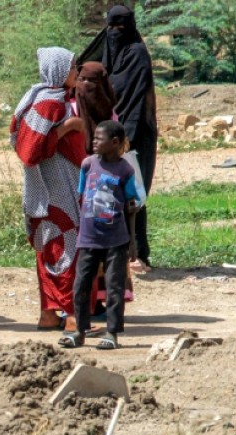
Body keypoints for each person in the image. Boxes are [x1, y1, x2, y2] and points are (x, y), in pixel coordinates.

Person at [10, 47, 85, 332]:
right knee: (66, 247)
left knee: (50, 248)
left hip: (49, 189)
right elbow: (29, 150)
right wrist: (67, 127)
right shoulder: (49, 103)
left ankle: (49, 314)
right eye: (72, 67)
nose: (75, 72)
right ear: (58, 71)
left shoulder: (42, 97)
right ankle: (70, 314)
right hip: (55, 188)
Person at [59, 120, 143, 350]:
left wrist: (132, 244)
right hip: (88, 238)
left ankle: (112, 333)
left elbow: (131, 206)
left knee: (114, 287)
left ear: (115, 142)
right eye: (93, 137)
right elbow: (82, 195)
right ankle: (79, 331)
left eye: (99, 138)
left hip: (115, 240)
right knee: (81, 285)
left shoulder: (125, 170)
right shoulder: (87, 165)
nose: (93, 141)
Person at [103, 5, 157, 271]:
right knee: (110, 194)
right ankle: (117, 254)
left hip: (136, 135)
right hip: (111, 135)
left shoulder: (136, 54)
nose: (114, 33)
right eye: (110, 27)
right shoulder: (110, 53)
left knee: (134, 195)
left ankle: (138, 253)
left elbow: (131, 97)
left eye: (120, 28)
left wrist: (126, 137)